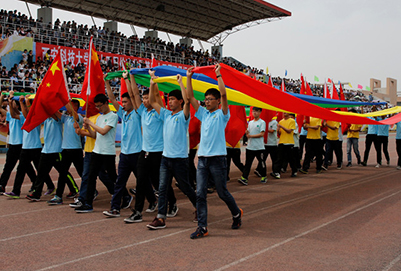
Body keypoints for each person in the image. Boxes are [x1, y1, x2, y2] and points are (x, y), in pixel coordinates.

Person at [187, 64, 243, 239]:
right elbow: (189, 97)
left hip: (218, 159)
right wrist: (188, 77)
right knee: (200, 193)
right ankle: (202, 227)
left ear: (217, 101)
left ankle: (236, 213)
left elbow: (225, 94)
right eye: (206, 98)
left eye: (211, 98)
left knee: (222, 192)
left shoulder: (222, 114)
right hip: (203, 159)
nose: (207, 101)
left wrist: (218, 75)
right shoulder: (203, 114)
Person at [146, 72, 197, 229]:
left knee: (185, 186)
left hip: (180, 159)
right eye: (168, 99)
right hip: (165, 159)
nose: (169, 101)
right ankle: (161, 218)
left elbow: (188, 100)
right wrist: (152, 82)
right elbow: (153, 101)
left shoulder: (184, 115)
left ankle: (199, 207)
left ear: (180, 101)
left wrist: (181, 83)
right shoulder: (166, 114)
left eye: (173, 99)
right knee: (162, 188)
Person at [124, 69, 176, 223]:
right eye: (144, 98)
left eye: (147, 98)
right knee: (140, 182)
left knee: (161, 183)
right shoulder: (142, 112)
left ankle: (172, 203)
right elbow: (133, 94)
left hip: (158, 153)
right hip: (144, 152)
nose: (145, 101)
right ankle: (137, 212)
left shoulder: (161, 113)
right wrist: (130, 77)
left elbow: (156, 98)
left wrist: (153, 82)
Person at [103, 71, 142, 217]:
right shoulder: (122, 114)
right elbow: (112, 98)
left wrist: (127, 79)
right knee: (120, 183)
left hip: (137, 154)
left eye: (125, 102)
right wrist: (106, 81)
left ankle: (152, 201)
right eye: (123, 102)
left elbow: (134, 94)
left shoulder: (138, 113)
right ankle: (115, 208)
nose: (123, 104)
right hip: (125, 155)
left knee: (142, 182)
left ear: (132, 102)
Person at [74, 94, 118, 212]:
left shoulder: (112, 116)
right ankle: (88, 203)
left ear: (105, 103)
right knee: (91, 177)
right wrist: (88, 127)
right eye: (97, 106)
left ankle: (124, 196)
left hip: (107, 152)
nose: (99, 108)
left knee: (112, 177)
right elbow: (95, 135)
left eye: (100, 106)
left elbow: (103, 131)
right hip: (96, 151)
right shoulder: (99, 118)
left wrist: (91, 123)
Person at [4, 95, 52, 198]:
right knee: (20, 170)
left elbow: (27, 115)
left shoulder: (36, 116)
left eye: (26, 106)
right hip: (25, 148)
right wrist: (10, 102)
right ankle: (16, 191)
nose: (24, 107)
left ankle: (50, 185)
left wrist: (23, 102)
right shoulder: (22, 116)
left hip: (35, 147)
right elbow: (13, 115)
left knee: (40, 169)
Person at [0, 92, 36, 194]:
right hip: (12, 144)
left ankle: (35, 182)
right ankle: (2, 185)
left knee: (26, 167)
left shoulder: (22, 116)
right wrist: (2, 96)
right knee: (8, 166)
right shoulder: (10, 115)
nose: (12, 104)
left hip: (21, 144)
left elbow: (13, 113)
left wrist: (12, 102)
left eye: (14, 103)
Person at [238, 107, 266, 185]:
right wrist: (246, 133)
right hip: (250, 147)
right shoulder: (250, 123)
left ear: (260, 112)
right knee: (248, 164)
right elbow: (248, 133)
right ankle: (244, 178)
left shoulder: (262, 122)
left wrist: (251, 136)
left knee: (261, 162)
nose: (254, 113)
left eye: (256, 111)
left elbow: (262, 134)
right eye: (253, 111)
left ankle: (264, 176)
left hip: (259, 147)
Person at [271, 112, 297, 178]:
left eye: (285, 113)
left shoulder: (292, 121)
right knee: (279, 158)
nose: (284, 114)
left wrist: (281, 126)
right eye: (283, 113)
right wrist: (278, 130)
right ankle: (276, 172)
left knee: (291, 158)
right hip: (282, 142)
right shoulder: (281, 121)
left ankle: (294, 171)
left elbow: (289, 131)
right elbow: (280, 133)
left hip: (289, 142)